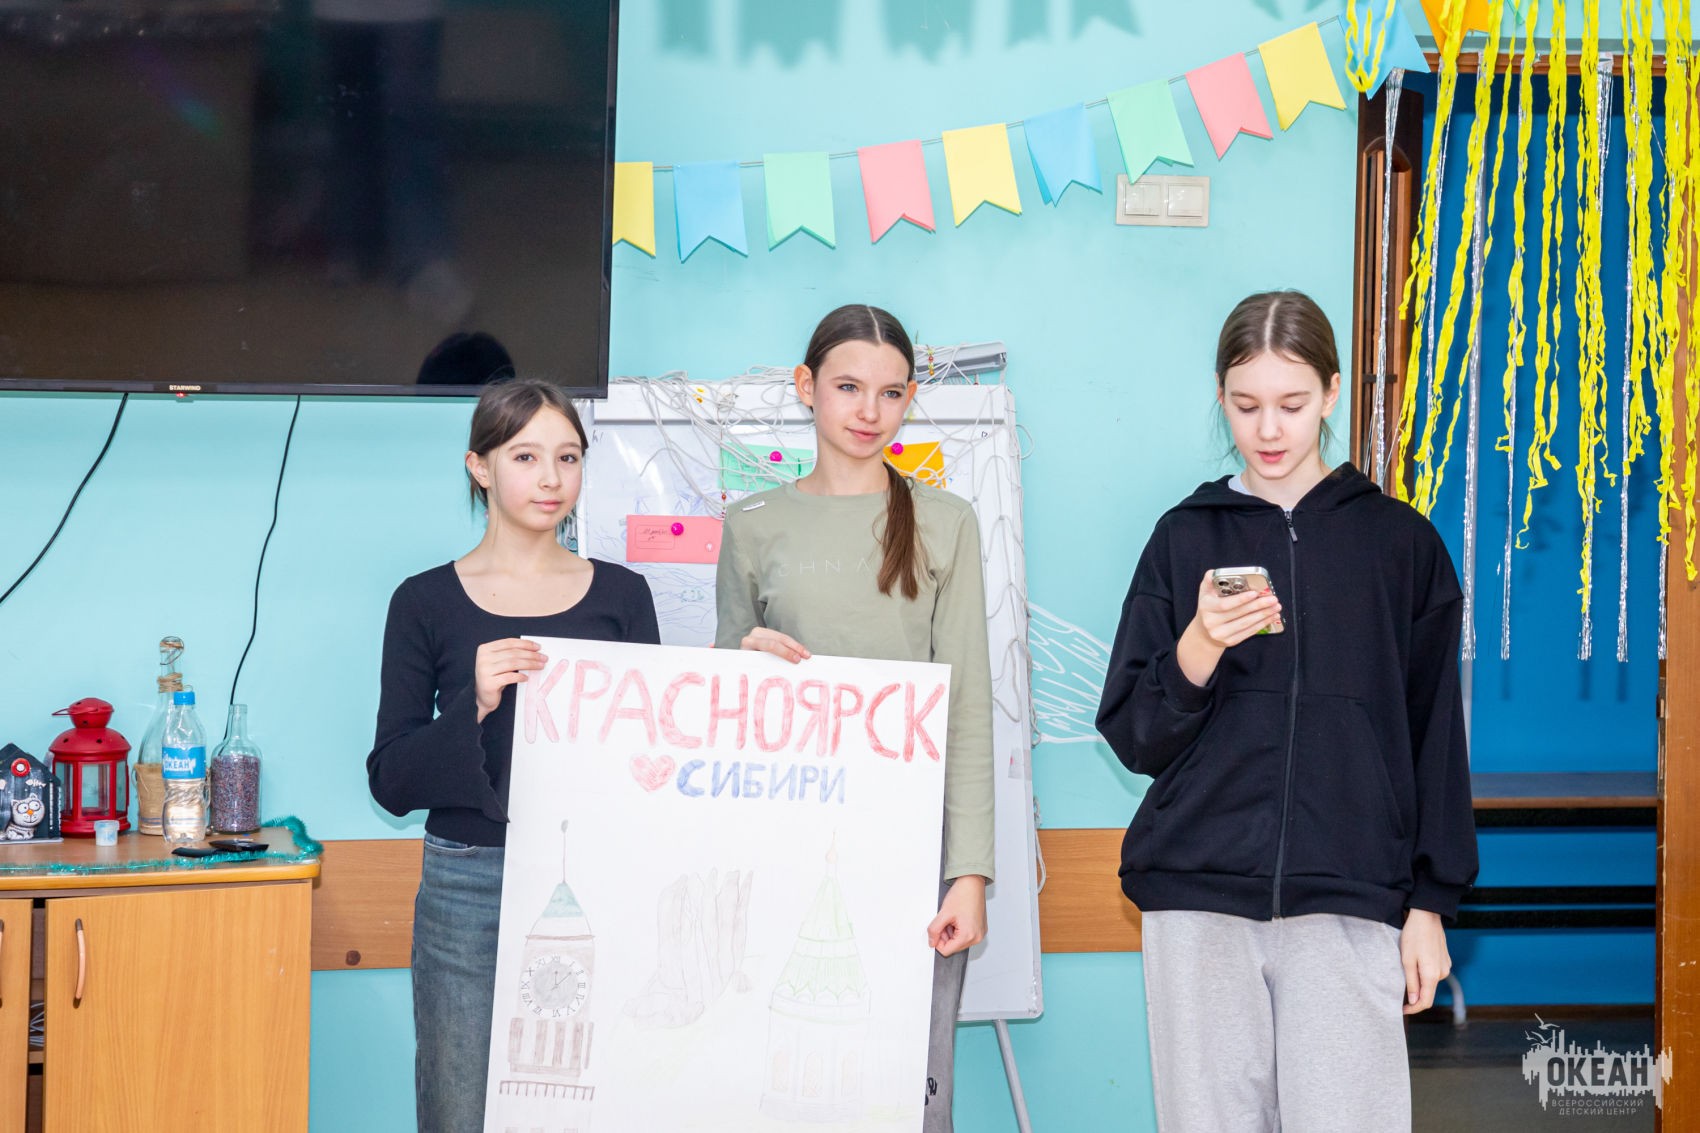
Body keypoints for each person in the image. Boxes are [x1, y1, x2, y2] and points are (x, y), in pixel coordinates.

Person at [1095, 290, 1478, 1132]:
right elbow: (1134, 733)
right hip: (1197, 898)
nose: (1268, 429)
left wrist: (1429, 904)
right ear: (1221, 397)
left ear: (1332, 392)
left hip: (1349, 898)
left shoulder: (1400, 545)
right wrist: (1199, 643)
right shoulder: (1184, 537)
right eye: (1245, 405)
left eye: (1292, 404)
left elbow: (1434, 739)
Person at [715, 304, 995, 1131]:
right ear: (806, 388)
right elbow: (719, 700)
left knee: (908, 1086)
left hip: (914, 850)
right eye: (847, 387)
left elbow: (966, 705)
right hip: (782, 837)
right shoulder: (751, 524)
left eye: (891, 392)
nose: (870, 411)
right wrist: (743, 659)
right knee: (782, 1078)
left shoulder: (947, 521)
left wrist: (969, 873)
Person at [368, 377, 660, 1132]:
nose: (551, 478)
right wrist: (472, 703)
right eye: (525, 456)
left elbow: (649, 761)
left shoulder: (624, 596)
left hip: (594, 877)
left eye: (568, 457)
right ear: (480, 466)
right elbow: (390, 779)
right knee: (459, 1106)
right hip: (468, 882)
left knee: (591, 1104)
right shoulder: (423, 601)